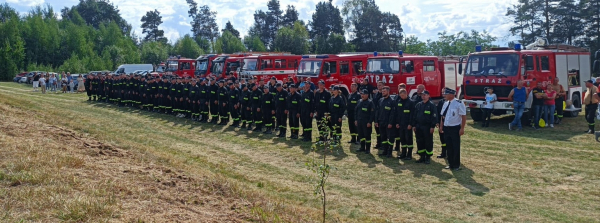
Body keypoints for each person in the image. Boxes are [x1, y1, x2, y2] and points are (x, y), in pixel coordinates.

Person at [439, 88, 467, 171]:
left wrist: (462, 128)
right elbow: (442, 116)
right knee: (449, 146)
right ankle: (450, 163)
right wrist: (441, 126)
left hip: (455, 128)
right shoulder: (445, 103)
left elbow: (463, 116)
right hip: (446, 128)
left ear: (452, 94)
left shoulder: (459, 103)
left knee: (455, 147)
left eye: (446, 94)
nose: (444, 95)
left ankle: (456, 165)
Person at [412, 90, 437, 164]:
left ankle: (428, 157)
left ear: (428, 96)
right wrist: (414, 125)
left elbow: (434, 117)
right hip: (418, 127)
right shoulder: (418, 105)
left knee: (428, 142)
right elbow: (414, 116)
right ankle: (422, 156)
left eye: (425, 95)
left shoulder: (432, 105)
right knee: (419, 141)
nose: (423, 96)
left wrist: (432, 126)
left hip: (427, 127)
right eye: (422, 95)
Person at [393, 88, 415, 160]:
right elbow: (397, 113)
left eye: (403, 95)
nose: (402, 97)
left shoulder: (411, 102)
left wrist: (410, 124)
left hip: (407, 124)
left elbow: (412, 115)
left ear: (406, 94)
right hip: (401, 124)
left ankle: (409, 154)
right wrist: (397, 122)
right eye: (401, 95)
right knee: (402, 139)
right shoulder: (399, 101)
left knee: (409, 139)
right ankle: (403, 153)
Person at [374, 86, 395, 157]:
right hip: (381, 122)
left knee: (390, 137)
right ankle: (385, 150)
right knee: (383, 137)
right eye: (382, 91)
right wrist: (376, 121)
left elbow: (393, 114)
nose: (383, 93)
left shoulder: (392, 101)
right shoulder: (380, 100)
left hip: (388, 123)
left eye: (384, 91)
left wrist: (390, 123)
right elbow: (377, 111)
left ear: (388, 92)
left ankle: (390, 152)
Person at [355, 89, 375, 153]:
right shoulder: (359, 101)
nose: (362, 95)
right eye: (361, 94)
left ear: (367, 95)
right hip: (359, 121)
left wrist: (370, 122)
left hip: (366, 122)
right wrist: (356, 120)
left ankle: (368, 149)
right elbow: (356, 111)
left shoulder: (370, 102)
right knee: (361, 135)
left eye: (364, 94)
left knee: (367, 135)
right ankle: (362, 147)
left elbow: (372, 114)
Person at [372, 81, 384, 149]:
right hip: (376, 114)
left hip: (382, 114)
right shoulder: (376, 95)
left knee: (382, 130)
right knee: (377, 130)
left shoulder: (384, 94)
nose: (378, 86)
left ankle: (383, 144)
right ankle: (378, 143)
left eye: (380, 85)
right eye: (378, 85)